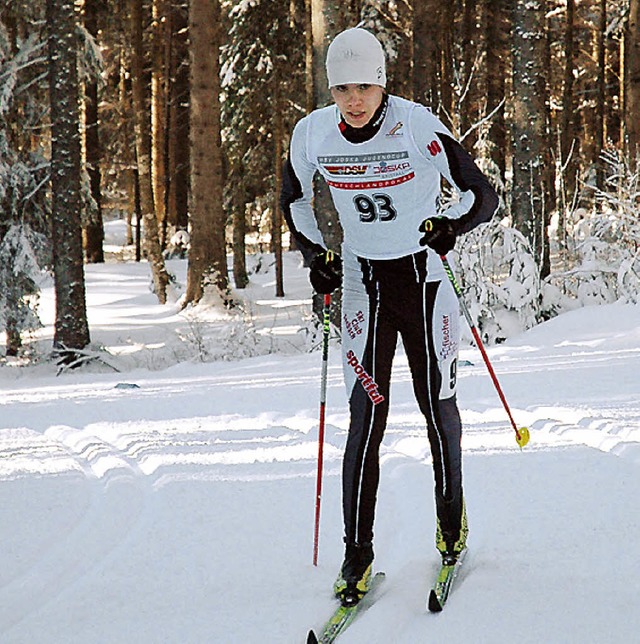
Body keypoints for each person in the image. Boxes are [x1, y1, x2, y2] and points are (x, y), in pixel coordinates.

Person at [281, 27, 498, 606]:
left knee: (436, 409)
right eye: (343, 88)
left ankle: (451, 534)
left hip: (424, 285)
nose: (354, 100)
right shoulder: (312, 134)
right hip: (363, 286)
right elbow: (294, 202)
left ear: (383, 85)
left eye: (366, 87)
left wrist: (452, 226)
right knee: (365, 422)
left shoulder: (419, 124)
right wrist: (316, 256)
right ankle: (357, 557)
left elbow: (482, 194)